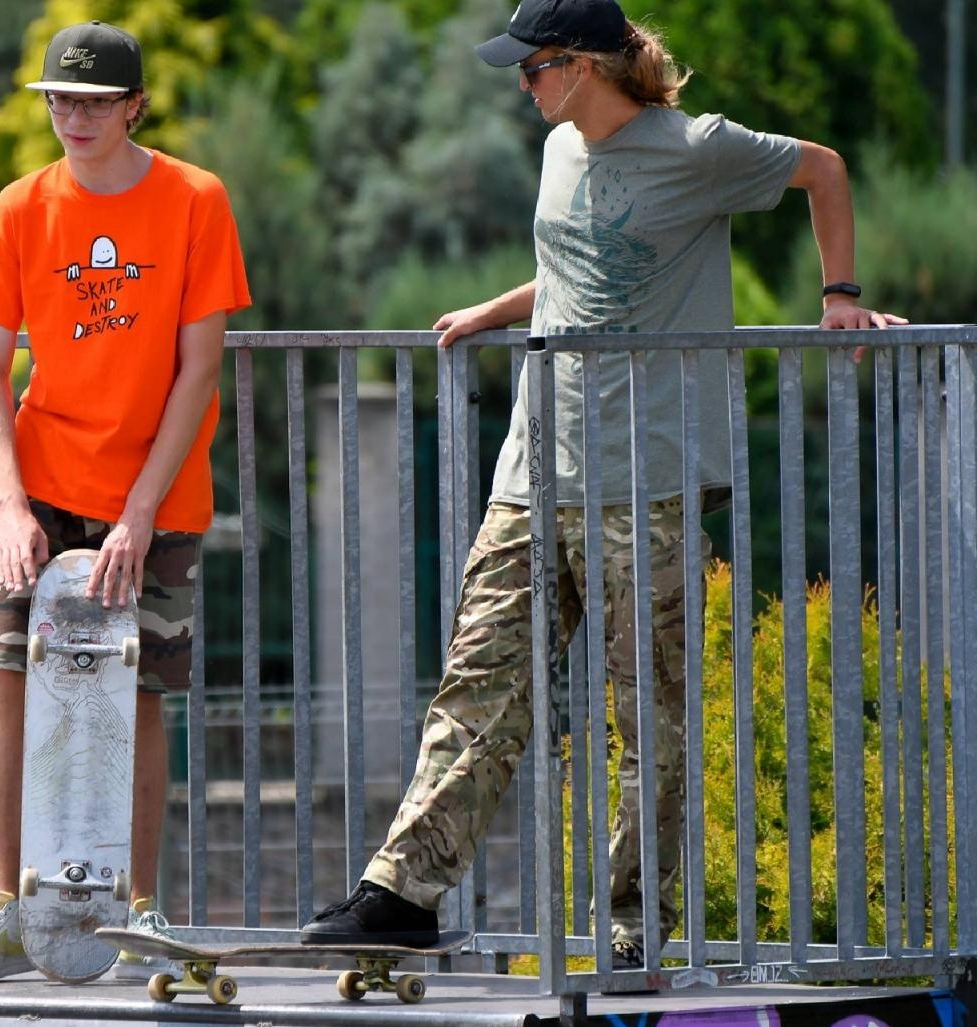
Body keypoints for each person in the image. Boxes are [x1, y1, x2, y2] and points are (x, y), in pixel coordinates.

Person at [300, 0, 903, 967]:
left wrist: (838, 300)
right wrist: (495, 309)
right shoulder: (560, 151)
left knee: (646, 713)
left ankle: (633, 928)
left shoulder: (698, 147)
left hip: (644, 473)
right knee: (479, 685)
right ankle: (400, 893)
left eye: (531, 69)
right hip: (536, 466)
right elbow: (580, 262)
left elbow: (823, 170)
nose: (522, 86)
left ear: (579, 65)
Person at [0, 20, 251, 985]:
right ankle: (7, 910)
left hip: (156, 494)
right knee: (6, 680)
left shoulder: (196, 199)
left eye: (93, 101)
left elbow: (199, 372)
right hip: (37, 488)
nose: (73, 117)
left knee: (138, 694)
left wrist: (141, 512)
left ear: (134, 106)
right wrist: (7, 503)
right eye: (59, 101)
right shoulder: (21, 206)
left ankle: (138, 913)